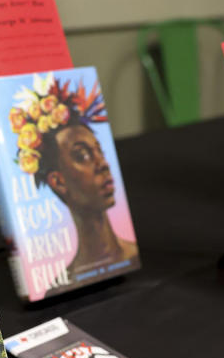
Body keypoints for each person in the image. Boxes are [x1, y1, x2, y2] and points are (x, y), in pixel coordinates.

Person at [10, 75, 137, 283]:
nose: (103, 164)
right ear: (58, 182)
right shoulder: (61, 284)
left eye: (100, 151)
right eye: (83, 156)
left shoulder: (131, 257)